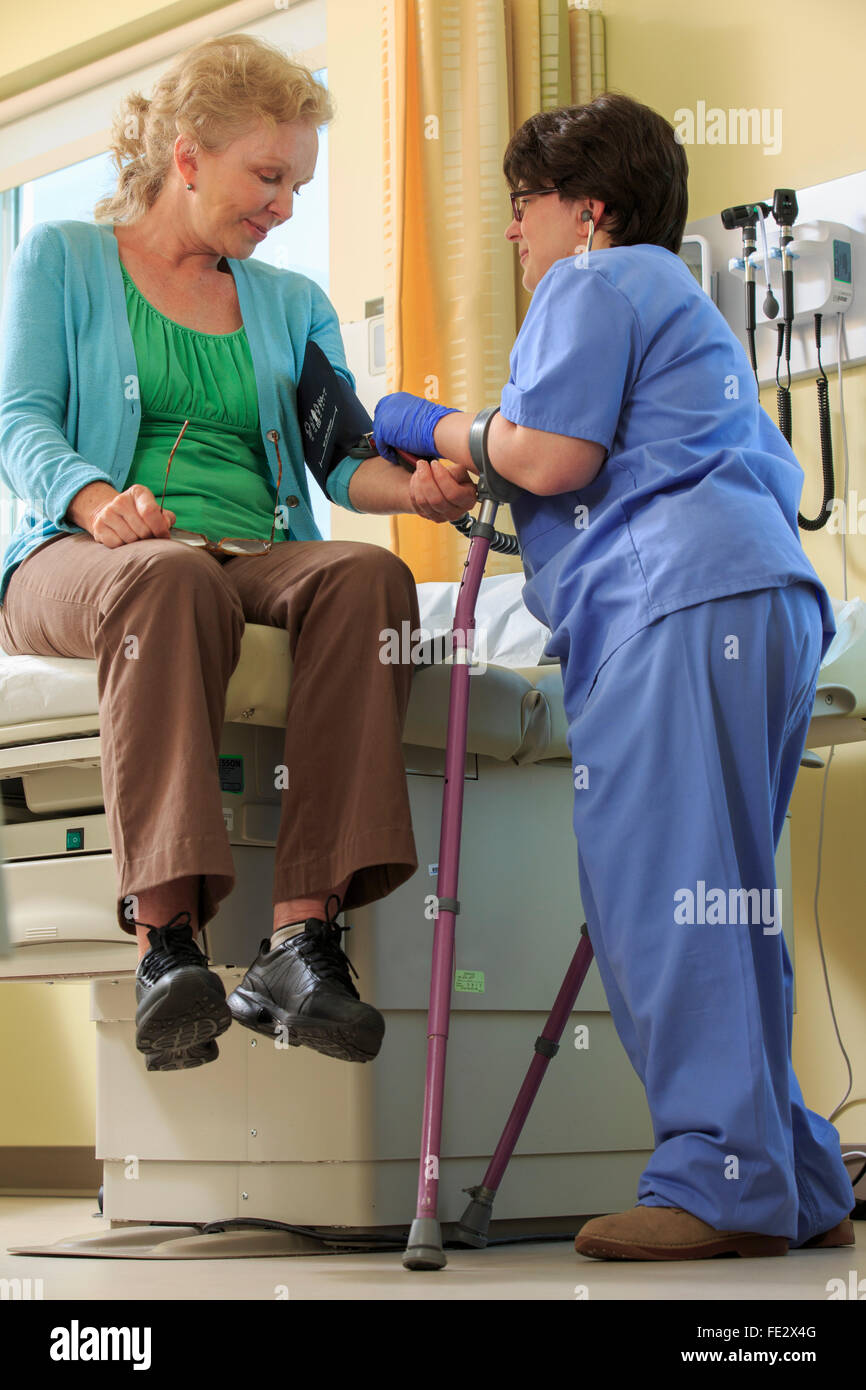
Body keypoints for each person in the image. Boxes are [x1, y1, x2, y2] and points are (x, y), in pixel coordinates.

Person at [371, 93, 856, 1260]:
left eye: (521, 206)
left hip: (671, 602)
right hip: (760, 597)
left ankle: (715, 1184)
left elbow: (551, 454)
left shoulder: (590, 282)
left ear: (584, 210)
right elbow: (571, 462)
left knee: (657, 900)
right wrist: (477, 460)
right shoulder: (671, 298)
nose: (510, 233)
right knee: (725, 898)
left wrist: (427, 423)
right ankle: (788, 1172)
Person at [0, 34, 477, 1074]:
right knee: (169, 578)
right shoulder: (67, 259)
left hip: (253, 548)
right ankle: (166, 945)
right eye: (268, 177)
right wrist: (92, 498)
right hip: (79, 559)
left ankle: (301, 942)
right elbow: (19, 421)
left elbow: (337, 453)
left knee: (368, 575)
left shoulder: (287, 300)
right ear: (186, 156)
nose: (284, 206)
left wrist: (418, 490)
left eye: (297, 183)